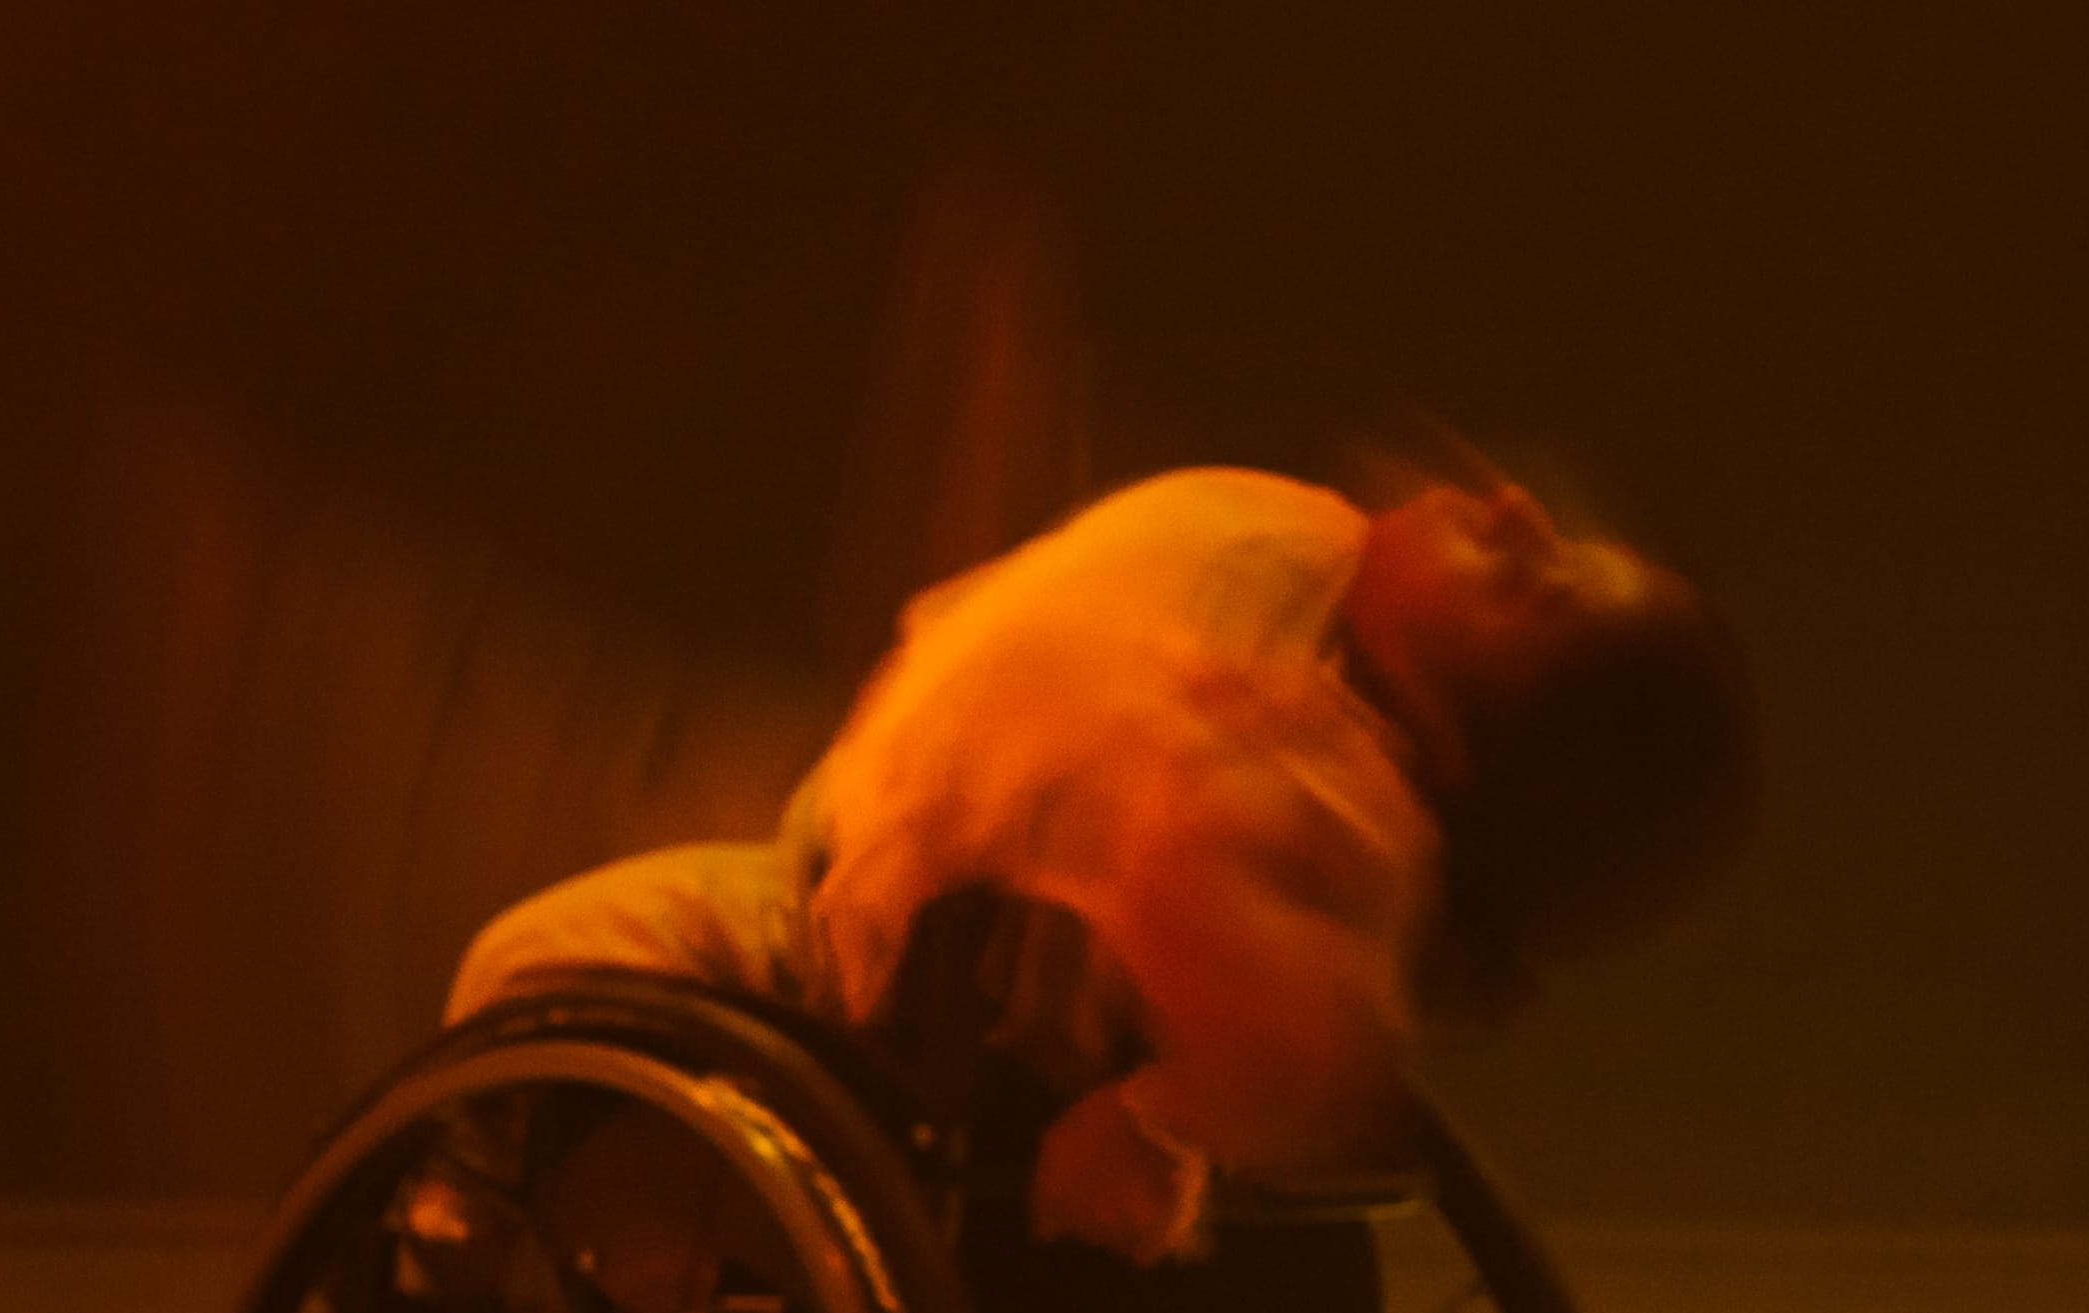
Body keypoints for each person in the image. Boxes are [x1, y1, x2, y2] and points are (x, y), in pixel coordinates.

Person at [447, 454, 1757, 1257]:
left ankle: (510, 1304)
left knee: (535, 967)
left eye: (1526, 577)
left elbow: (1292, 1038)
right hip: (886, 870)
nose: (1514, 503)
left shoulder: (1288, 789)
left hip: (851, 968)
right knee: (668, 781)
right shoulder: (1292, 664)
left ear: (1451, 739)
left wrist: (1153, 1126)